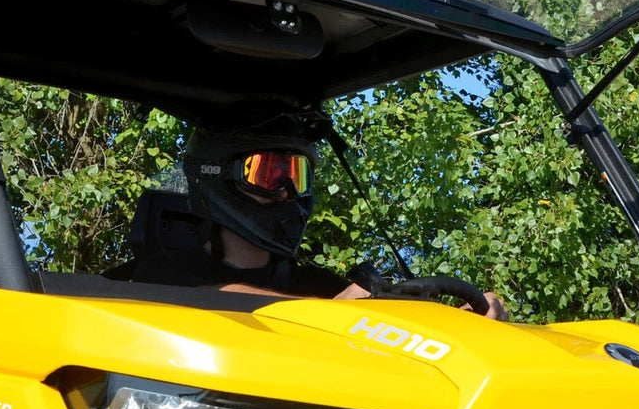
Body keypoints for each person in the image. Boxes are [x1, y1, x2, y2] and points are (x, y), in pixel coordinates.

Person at [129, 108, 506, 319]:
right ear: (218, 177)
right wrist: (334, 314)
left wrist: (461, 319)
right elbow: (220, 298)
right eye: (269, 174)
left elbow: (384, 325)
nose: (288, 192)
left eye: (298, 176)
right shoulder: (161, 276)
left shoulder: (319, 286)